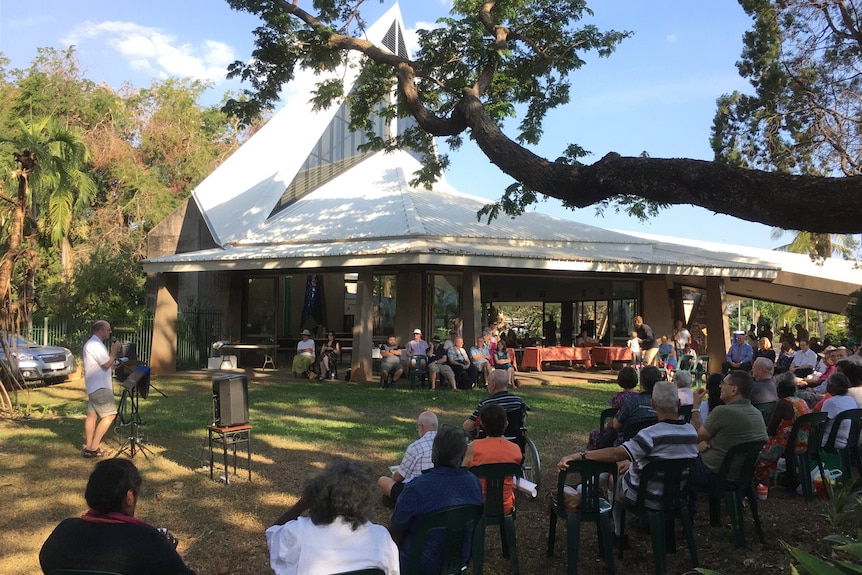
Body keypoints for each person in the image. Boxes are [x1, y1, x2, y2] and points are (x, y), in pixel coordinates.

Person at [558, 381, 698, 540]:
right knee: (624, 467)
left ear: (653, 404)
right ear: (679, 403)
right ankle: (585, 488)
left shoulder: (650, 434)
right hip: (676, 496)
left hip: (645, 498)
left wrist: (581, 455)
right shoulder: (691, 432)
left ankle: (618, 533)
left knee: (615, 475)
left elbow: (616, 454)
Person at [39, 458, 195, 575]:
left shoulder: (64, 532)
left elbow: (47, 562)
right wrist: (165, 550)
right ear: (129, 497)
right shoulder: (148, 538)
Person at [267, 458, 399, 575]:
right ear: (365, 500)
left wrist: (301, 505)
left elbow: (273, 533)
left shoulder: (298, 533)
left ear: (316, 496)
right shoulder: (382, 537)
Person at [389, 425, 484, 575]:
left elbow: (395, 535)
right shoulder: (474, 484)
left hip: (418, 565)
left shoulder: (416, 488)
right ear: (461, 457)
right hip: (457, 561)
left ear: (434, 455)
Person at [689, 370, 768, 493]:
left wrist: (695, 407)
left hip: (714, 473)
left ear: (734, 390)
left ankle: (678, 508)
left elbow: (695, 436)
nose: (720, 386)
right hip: (741, 475)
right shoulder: (756, 413)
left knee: (676, 461)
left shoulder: (723, 411)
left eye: (724, 383)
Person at [463, 403, 523, 514]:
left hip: (477, 504)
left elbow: (462, 470)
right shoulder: (515, 449)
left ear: (482, 424)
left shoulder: (473, 447)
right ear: (506, 424)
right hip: (505, 505)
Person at [753, 372, 810, 483]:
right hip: (803, 442)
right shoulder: (801, 401)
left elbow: (771, 430)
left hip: (787, 444)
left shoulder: (783, 403)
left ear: (779, 390)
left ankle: (761, 480)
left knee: (757, 451)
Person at [81, 320, 122, 458]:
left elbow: (107, 363)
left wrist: (114, 364)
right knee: (110, 415)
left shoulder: (94, 344)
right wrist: (115, 351)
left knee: (92, 415)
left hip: (94, 386)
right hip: (100, 387)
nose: (110, 332)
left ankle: (89, 446)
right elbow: (105, 364)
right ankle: (93, 448)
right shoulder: (94, 345)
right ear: (100, 330)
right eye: (108, 330)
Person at [378, 411, 438, 503]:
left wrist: (393, 478)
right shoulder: (448, 443)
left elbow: (399, 477)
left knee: (383, 480)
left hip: (419, 493)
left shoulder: (416, 447)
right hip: (441, 490)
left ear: (421, 427)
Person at [463, 369, 529, 442]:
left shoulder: (486, 403)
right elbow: (522, 420)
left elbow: (469, 426)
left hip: (488, 441)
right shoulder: (518, 401)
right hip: (514, 439)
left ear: (493, 385)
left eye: (489, 383)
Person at [605, 366, 662, 446]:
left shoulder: (631, 402)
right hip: (657, 443)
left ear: (641, 382)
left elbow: (616, 425)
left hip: (629, 444)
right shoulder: (664, 404)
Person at [586, 366, 639, 450]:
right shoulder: (639, 397)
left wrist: (606, 426)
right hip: (635, 430)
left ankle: (594, 456)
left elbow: (613, 418)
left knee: (594, 434)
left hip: (618, 430)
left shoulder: (618, 397)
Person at [819, 373, 856, 449]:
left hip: (830, 441)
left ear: (832, 386)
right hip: (848, 441)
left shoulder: (831, 402)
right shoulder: (851, 400)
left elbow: (821, 424)